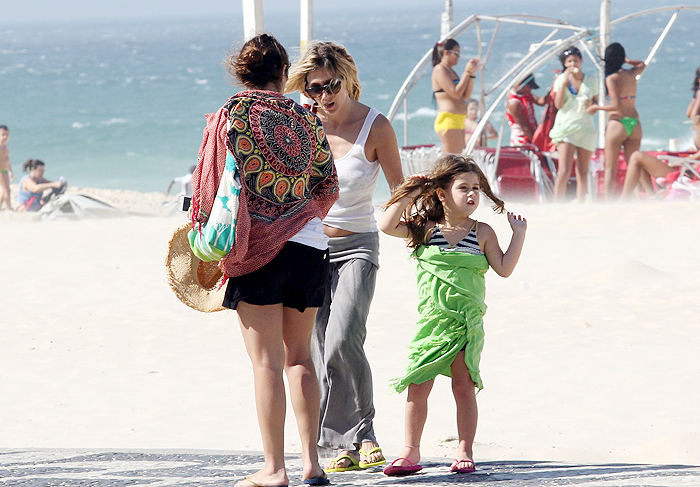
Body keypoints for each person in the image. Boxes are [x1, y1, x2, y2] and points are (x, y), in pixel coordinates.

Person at [190, 33, 339, 487]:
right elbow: (328, 186)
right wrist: (298, 215)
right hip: (310, 244)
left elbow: (209, 182)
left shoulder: (231, 113)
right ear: (283, 73)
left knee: (265, 364)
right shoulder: (305, 114)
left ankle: (275, 469)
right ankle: (312, 464)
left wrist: (203, 231)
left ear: (241, 71)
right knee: (301, 359)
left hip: (257, 249)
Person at [286, 41, 404, 474]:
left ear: (347, 78)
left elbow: (400, 191)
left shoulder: (376, 126)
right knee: (317, 347)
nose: (324, 96)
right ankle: (339, 443)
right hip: (309, 247)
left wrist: (402, 226)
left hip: (358, 243)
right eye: (314, 89)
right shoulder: (302, 125)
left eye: (331, 85)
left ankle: (362, 431)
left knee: (343, 338)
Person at [378, 155, 527, 476]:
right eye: (463, 188)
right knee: (418, 385)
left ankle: (464, 449)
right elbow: (386, 224)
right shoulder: (424, 229)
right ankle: (410, 450)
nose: (472, 194)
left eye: (476, 188)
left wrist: (518, 234)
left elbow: (503, 269)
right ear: (443, 194)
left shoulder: (483, 232)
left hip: (466, 324)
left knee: (464, 387)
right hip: (432, 323)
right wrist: (409, 192)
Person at [586, 42, 646, 198]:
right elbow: (642, 64)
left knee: (610, 168)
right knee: (634, 166)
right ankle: (639, 197)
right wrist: (625, 61)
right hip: (634, 123)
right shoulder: (632, 74)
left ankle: (608, 201)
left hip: (618, 123)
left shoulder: (612, 79)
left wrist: (595, 108)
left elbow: (615, 105)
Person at [548, 47, 599, 202]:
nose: (573, 63)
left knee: (583, 170)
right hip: (566, 127)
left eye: (575, 60)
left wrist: (591, 104)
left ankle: (581, 202)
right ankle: (557, 202)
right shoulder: (560, 80)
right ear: (565, 63)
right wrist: (564, 81)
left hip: (585, 127)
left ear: (581, 61)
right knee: (564, 169)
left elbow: (595, 105)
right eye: (569, 61)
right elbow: (558, 104)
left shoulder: (591, 80)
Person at [621, 123, 700, 199]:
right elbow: (693, 161)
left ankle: (625, 198)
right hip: (689, 175)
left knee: (637, 156)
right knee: (639, 160)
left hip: (687, 180)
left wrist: (676, 164)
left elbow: (691, 160)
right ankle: (652, 197)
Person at [431, 38, 480, 154]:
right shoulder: (440, 69)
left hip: (458, 119)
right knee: (450, 160)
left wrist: (471, 75)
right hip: (449, 119)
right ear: (446, 52)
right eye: (456, 53)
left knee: (457, 158)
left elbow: (465, 95)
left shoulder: (451, 71)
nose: (458, 56)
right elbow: (455, 93)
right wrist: (466, 72)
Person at [506, 73, 548, 146]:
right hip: (522, 142)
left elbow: (540, 101)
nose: (530, 89)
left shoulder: (525, 93)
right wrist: (538, 144)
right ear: (519, 85)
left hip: (532, 136)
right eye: (529, 87)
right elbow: (524, 127)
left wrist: (553, 90)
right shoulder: (514, 103)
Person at [0, 125, 13, 211]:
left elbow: (7, 161)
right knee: (7, 190)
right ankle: (9, 208)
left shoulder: (6, 148)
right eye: (3, 135)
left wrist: (11, 171)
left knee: (6, 190)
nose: (5, 137)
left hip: (5, 170)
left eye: (7, 135)